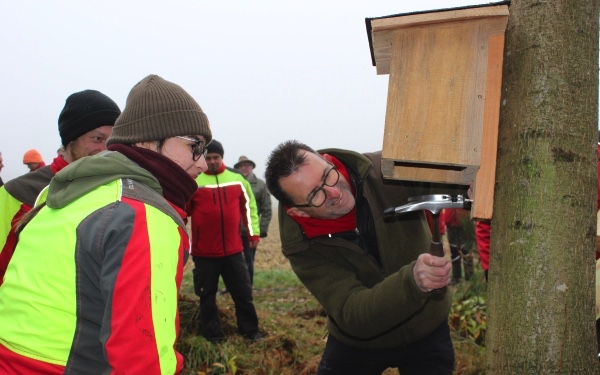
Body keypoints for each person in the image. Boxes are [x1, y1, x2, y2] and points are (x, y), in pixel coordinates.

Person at [0, 74, 212, 374]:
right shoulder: (141, 213)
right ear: (147, 140)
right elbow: (142, 359)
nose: (202, 163)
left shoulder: (65, 191)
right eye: (196, 146)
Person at [264, 140, 468, 375]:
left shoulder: (384, 170)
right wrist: (413, 281)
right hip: (358, 343)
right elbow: (352, 312)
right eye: (315, 195)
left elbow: (442, 177)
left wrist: (468, 186)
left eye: (327, 175)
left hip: (427, 326)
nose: (333, 192)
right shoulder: (300, 244)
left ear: (329, 160)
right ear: (298, 211)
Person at [0, 89, 121, 285]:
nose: (106, 150)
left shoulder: (118, 191)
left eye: (112, 140)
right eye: (97, 139)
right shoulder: (19, 193)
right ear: (70, 140)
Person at [187, 139, 261, 343]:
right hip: (204, 254)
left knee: (243, 294)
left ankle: (250, 331)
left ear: (222, 158)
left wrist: (253, 233)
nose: (212, 161)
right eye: (208, 157)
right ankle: (212, 335)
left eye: (215, 157)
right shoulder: (195, 181)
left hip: (234, 251)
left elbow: (249, 208)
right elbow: (183, 212)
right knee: (206, 296)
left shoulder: (237, 180)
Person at [234, 155, 272, 284]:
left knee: (248, 261)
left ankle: (247, 287)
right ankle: (232, 287)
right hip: (232, 231)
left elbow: (267, 209)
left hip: (249, 231)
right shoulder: (233, 182)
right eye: (241, 166)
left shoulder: (260, 185)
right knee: (233, 262)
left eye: (246, 165)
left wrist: (261, 230)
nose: (244, 168)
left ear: (252, 167)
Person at [442, 208, 474, 285]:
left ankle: (470, 277)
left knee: (466, 251)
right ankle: (456, 277)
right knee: (454, 252)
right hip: (451, 222)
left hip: (464, 221)